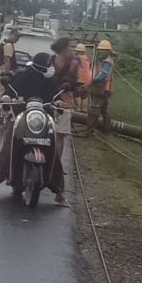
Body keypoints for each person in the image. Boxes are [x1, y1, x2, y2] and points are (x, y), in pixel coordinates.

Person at [0, 52, 65, 203]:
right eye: (48, 63)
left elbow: (57, 97)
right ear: (42, 64)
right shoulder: (23, 77)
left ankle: (60, 192)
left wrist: (60, 103)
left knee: (52, 150)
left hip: (43, 119)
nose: (50, 67)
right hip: (21, 117)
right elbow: (10, 91)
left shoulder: (50, 81)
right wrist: (7, 98)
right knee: (9, 147)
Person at [49, 38, 78, 205]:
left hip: (64, 103)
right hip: (52, 101)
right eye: (70, 48)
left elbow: (73, 83)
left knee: (60, 135)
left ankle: (56, 163)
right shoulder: (53, 61)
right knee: (55, 133)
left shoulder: (71, 63)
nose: (73, 50)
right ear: (63, 49)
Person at [79, 40, 115, 136]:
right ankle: (106, 130)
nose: (100, 52)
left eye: (102, 50)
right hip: (104, 89)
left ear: (107, 51)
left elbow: (103, 75)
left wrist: (92, 81)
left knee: (93, 110)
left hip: (103, 89)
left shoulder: (107, 62)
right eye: (99, 50)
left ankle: (88, 131)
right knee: (104, 111)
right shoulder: (106, 60)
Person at [74, 43, 93, 112]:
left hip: (79, 81)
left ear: (80, 51)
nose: (75, 52)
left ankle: (77, 115)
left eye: (77, 51)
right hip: (87, 82)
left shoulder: (77, 58)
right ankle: (83, 115)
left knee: (77, 100)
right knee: (84, 99)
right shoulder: (87, 59)